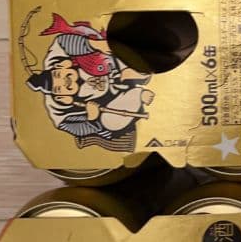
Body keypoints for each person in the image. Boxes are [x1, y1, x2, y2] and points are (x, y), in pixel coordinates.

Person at [26, 13, 154, 151]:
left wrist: (95, 44)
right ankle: (137, 95)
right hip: (115, 104)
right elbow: (74, 128)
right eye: (58, 88)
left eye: (58, 75)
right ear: (60, 96)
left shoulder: (55, 59)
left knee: (120, 51)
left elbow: (62, 41)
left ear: (61, 66)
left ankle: (141, 72)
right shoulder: (58, 112)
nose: (63, 82)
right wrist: (92, 119)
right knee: (110, 122)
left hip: (112, 66)